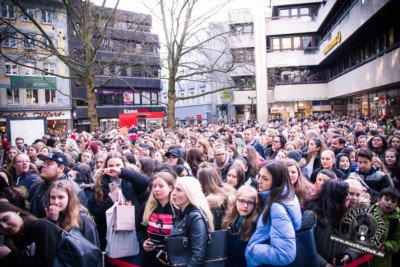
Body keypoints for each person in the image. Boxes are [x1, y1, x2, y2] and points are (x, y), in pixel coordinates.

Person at [245, 160, 302, 267]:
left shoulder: (277, 207)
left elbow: (285, 254)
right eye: (259, 176)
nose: (259, 181)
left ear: (277, 181)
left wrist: (253, 250)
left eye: (265, 178)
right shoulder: (286, 194)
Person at [89, 152, 149, 252]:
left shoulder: (131, 180)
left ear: (123, 166)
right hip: (110, 235)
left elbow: (146, 182)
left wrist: (122, 172)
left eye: (118, 165)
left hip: (132, 232)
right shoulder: (100, 185)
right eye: (111, 166)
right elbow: (95, 214)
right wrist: (110, 201)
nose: (114, 168)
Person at [169, 177, 214, 266]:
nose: (173, 193)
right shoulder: (181, 213)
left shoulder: (195, 217)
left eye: (178, 190)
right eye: (174, 189)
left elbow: (198, 255)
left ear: (190, 193)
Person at [0, 202, 60, 267]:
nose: (5, 226)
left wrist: (10, 255)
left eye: (5, 219)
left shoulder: (43, 226)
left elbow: (44, 264)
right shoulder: (6, 241)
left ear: (17, 212)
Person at [30, 151, 87, 218]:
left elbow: (76, 221)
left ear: (61, 168)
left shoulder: (74, 191)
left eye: (49, 163)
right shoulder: (38, 186)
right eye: (44, 162)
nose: (43, 165)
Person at [45, 180, 100, 247]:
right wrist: (51, 221)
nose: (56, 202)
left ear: (69, 198)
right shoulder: (50, 215)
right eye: (53, 197)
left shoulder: (83, 219)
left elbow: (93, 248)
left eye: (61, 197)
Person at [138, 172, 176, 267]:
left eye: (161, 186)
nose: (157, 189)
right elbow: (138, 228)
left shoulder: (178, 208)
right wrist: (143, 242)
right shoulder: (146, 206)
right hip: (150, 258)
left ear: (170, 188)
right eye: (154, 186)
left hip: (172, 258)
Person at [222, 185, 260, 267]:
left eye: (250, 202)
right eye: (242, 201)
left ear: (255, 205)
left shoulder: (254, 224)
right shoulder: (231, 218)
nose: (245, 206)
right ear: (236, 201)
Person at [370, 188, 400, 267]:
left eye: (393, 202)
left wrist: (385, 246)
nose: (389, 203)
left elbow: (397, 242)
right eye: (386, 199)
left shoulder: (396, 221)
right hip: (361, 258)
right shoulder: (367, 213)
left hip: (382, 260)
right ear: (379, 200)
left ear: (396, 205)